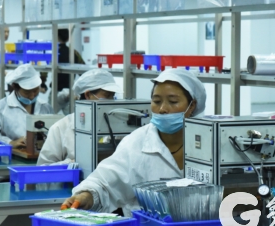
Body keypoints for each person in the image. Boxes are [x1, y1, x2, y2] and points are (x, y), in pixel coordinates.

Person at [61, 69, 206, 215]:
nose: (162, 109)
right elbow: (105, 181)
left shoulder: (208, 141)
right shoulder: (136, 142)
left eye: (173, 102)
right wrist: (86, 196)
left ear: (192, 105)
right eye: (156, 101)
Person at [37, 69, 121, 166]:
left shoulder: (120, 127)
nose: (111, 100)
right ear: (88, 95)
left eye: (112, 96)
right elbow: (43, 169)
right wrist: (72, 164)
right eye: (107, 96)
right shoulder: (60, 128)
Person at [0, 64, 53, 148]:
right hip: (10, 155)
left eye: (35, 91)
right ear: (15, 87)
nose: (32, 96)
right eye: (27, 92)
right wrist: (10, 143)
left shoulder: (46, 108)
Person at [56, 28, 85, 114]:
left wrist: (43, 83)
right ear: (68, 38)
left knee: (50, 117)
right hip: (70, 92)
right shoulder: (74, 53)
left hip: (56, 91)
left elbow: (45, 70)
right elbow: (83, 72)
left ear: (56, 37)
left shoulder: (54, 53)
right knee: (71, 119)